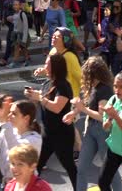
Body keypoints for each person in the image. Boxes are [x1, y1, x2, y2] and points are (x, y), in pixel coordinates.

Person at [64, 56, 122, 191]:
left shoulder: (104, 89)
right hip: (91, 131)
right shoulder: (94, 87)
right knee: (82, 168)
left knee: (109, 171)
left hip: (103, 132)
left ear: (92, 74)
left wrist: (83, 109)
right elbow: (87, 104)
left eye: (86, 73)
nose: (84, 76)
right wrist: (73, 113)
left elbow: (102, 116)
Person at [25, 54, 78, 189]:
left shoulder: (64, 86)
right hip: (47, 133)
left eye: (48, 64)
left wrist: (40, 97)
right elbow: (41, 102)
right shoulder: (47, 83)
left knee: (69, 166)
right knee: (36, 166)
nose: (45, 67)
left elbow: (56, 107)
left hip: (62, 135)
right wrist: (32, 96)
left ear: (56, 67)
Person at [0, 98, 42, 187]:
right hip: (9, 183)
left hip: (27, 185)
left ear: (26, 118)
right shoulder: (9, 132)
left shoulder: (35, 138)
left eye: (13, 114)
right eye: (9, 112)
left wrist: (5, 121)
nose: (9, 116)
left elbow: (17, 151)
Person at [0, 0, 25, 66]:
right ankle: (26, 56)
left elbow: (22, 10)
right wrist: (3, 18)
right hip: (7, 21)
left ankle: (5, 59)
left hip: (15, 22)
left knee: (9, 39)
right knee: (17, 40)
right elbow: (4, 7)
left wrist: (13, 17)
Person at [8, 0, 30, 68]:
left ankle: (18, 61)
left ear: (20, 6)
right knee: (18, 48)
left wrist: (24, 39)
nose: (15, 6)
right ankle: (22, 60)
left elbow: (26, 26)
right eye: (14, 5)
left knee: (23, 48)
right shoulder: (15, 14)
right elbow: (15, 24)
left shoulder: (22, 14)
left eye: (16, 5)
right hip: (16, 35)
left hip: (22, 35)